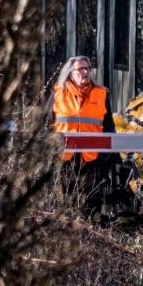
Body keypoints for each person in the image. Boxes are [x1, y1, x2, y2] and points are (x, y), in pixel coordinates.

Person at [51, 56, 116, 217]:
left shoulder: (101, 94)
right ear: (70, 73)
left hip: (92, 160)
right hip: (64, 159)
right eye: (80, 69)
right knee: (64, 205)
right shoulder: (58, 93)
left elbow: (109, 128)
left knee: (91, 205)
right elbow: (47, 125)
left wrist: (103, 157)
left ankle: (90, 238)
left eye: (87, 68)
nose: (85, 72)